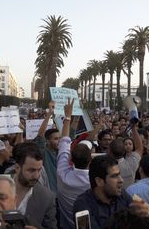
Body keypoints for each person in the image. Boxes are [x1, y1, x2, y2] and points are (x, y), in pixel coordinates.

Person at [56, 98, 91, 229]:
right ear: (90, 160)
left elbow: (64, 141)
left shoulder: (62, 173)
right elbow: (65, 142)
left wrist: (68, 116)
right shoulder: (94, 181)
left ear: (70, 157)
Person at [73, 155, 132, 229]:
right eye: (114, 176)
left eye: (119, 174)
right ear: (99, 181)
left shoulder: (123, 196)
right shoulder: (81, 205)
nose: (121, 180)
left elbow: (142, 215)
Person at [14, 144, 57, 229]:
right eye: (31, 170)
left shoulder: (47, 197)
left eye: (39, 170)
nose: (37, 176)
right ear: (17, 167)